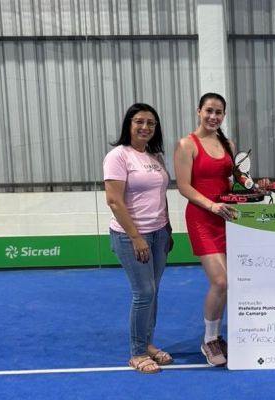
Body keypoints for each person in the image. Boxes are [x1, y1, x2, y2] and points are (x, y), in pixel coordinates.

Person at [104, 103, 173, 374]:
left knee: (153, 291)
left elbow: (161, 196)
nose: (145, 127)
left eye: (151, 123)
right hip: (131, 235)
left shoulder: (156, 157)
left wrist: (167, 229)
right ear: (129, 125)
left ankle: (148, 343)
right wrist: (136, 237)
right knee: (143, 293)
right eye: (139, 121)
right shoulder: (118, 156)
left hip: (159, 234)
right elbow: (114, 200)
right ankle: (137, 353)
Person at [173, 93, 238, 366]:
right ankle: (209, 339)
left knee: (230, 282)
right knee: (220, 281)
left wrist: (249, 190)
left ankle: (218, 336)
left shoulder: (228, 144)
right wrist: (211, 205)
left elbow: (231, 181)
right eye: (209, 110)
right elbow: (183, 186)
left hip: (227, 217)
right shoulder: (186, 144)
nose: (213, 116)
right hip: (202, 218)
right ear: (199, 111)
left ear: (224, 115)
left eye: (218, 112)